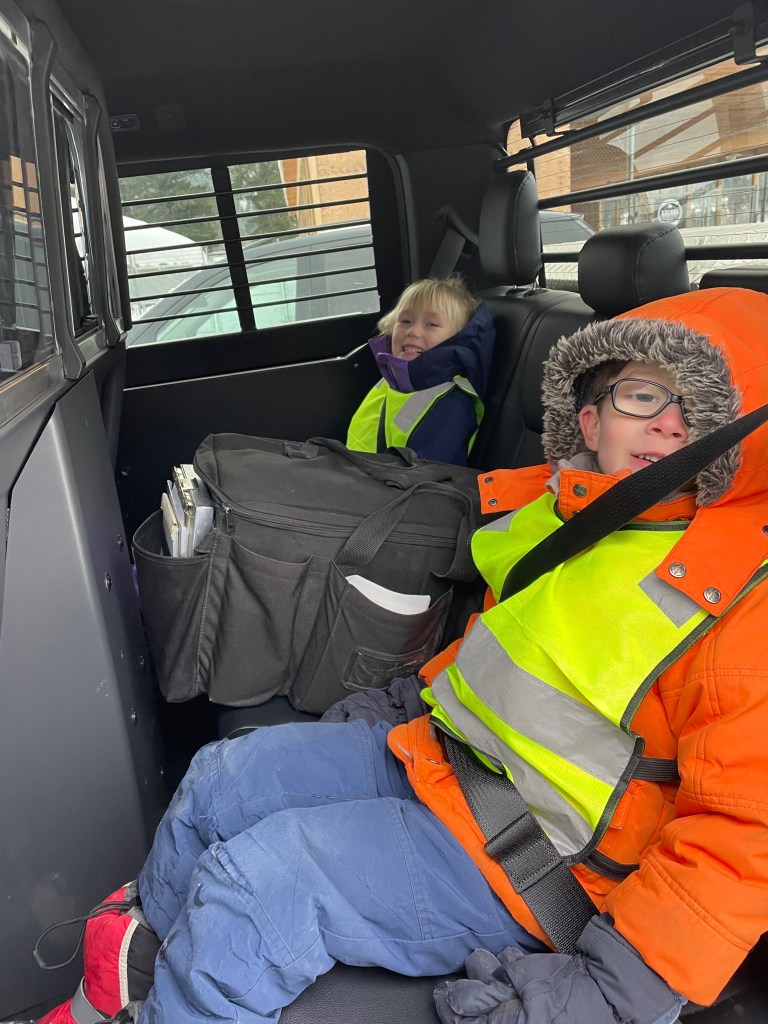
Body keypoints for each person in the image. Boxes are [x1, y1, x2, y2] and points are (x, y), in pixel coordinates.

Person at [125, 286, 768, 1024]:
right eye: (642, 394)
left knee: (255, 888)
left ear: (746, 440)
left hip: (534, 858)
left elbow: (741, 835)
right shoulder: (565, 515)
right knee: (218, 779)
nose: (670, 422)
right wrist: (406, 700)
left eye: (705, 407)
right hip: (440, 756)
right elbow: (504, 650)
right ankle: (140, 965)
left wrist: (610, 994)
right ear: (590, 420)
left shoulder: (742, 598)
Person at [345, 275, 495, 465]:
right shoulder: (389, 381)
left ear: (456, 339)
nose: (413, 332)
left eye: (431, 324)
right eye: (405, 321)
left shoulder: (452, 405)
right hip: (356, 473)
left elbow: (425, 476)